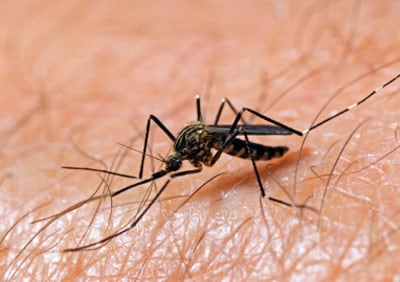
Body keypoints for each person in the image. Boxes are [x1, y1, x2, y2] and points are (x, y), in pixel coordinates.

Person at [1, 1, 399, 280]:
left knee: (235, 117)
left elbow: (203, 149)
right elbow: (168, 162)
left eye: (168, 168)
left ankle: (269, 190)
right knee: (212, 117)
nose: (168, 170)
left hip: (239, 142)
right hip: (214, 140)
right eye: (168, 167)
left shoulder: (193, 150)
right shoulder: (178, 152)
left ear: (178, 157)